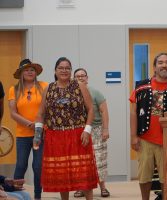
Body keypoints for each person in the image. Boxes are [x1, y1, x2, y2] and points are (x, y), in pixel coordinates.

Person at [34, 57, 98, 200]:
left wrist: (87, 130)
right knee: (62, 176)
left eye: (67, 68)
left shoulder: (80, 86)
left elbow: (91, 109)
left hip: (78, 135)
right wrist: (37, 135)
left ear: (70, 70)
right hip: (55, 137)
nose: (64, 70)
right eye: (61, 68)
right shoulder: (48, 89)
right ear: (55, 71)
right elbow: (40, 114)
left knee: (83, 174)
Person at [130, 52, 167, 200]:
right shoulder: (141, 86)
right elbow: (133, 112)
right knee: (144, 176)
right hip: (145, 138)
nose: (164, 65)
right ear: (154, 67)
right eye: (160, 62)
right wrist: (133, 136)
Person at [8, 59, 48, 200]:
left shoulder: (44, 86)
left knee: (38, 167)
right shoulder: (14, 89)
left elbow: (48, 108)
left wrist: (39, 124)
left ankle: (37, 196)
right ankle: (15, 195)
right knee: (21, 165)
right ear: (21, 73)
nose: (30, 72)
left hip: (40, 134)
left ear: (35, 72)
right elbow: (13, 113)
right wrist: (30, 124)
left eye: (32, 70)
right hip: (23, 135)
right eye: (26, 70)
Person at [73, 68, 110, 198]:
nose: (81, 78)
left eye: (83, 76)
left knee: (99, 161)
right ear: (74, 79)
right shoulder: (71, 94)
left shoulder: (95, 92)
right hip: (78, 131)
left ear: (87, 78)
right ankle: (81, 188)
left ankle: (103, 188)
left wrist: (105, 129)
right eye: (78, 76)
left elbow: (104, 111)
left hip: (96, 130)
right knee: (80, 162)